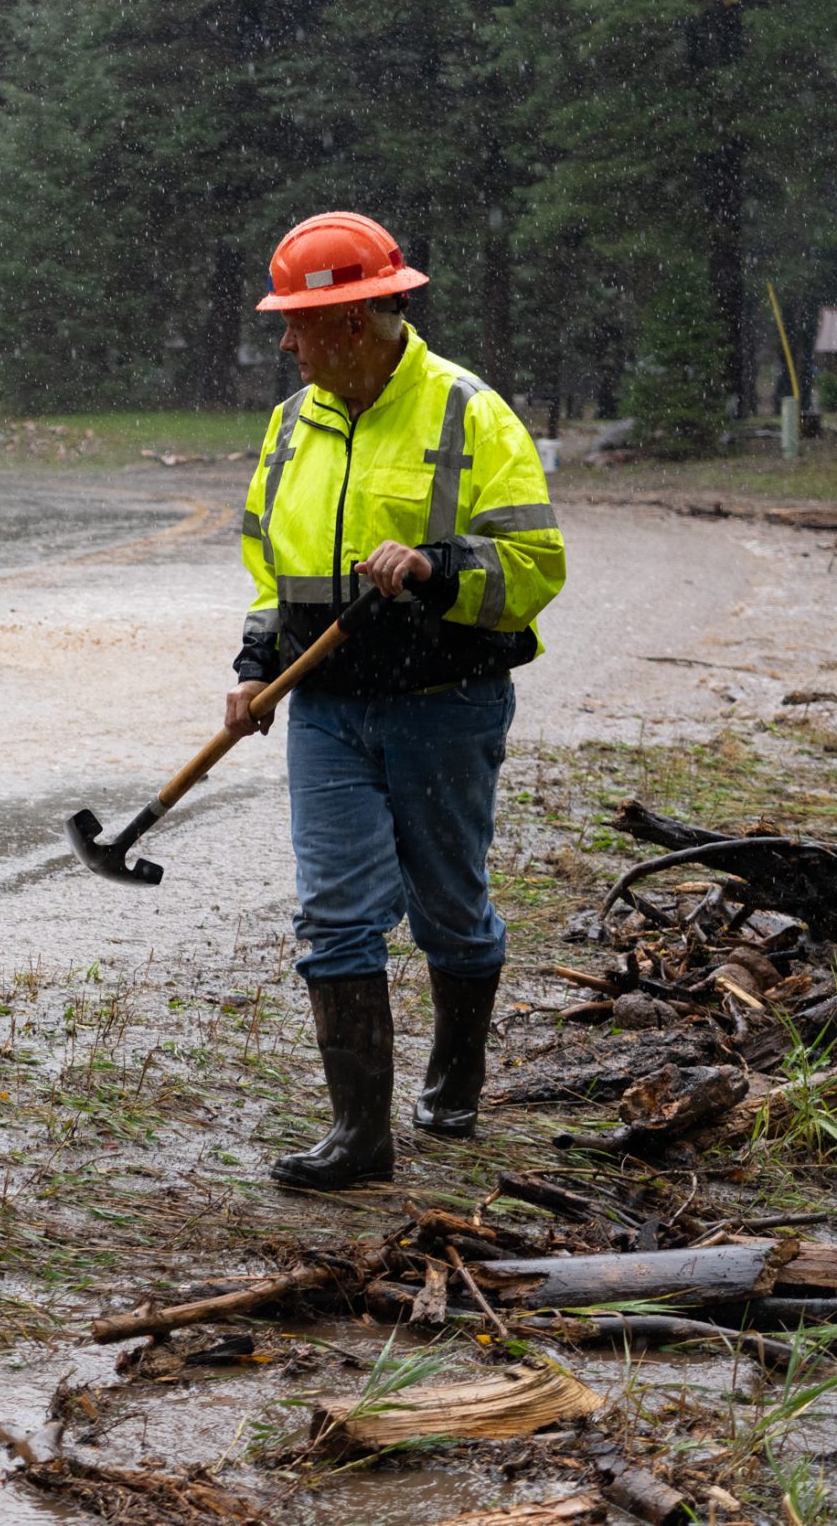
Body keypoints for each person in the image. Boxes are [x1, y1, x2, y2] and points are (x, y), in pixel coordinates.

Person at [232, 212, 566, 1191]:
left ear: (363, 316)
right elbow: (267, 570)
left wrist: (435, 567)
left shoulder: (468, 412)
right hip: (325, 709)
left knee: (449, 914)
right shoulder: (292, 423)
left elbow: (536, 565)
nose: (287, 342)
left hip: (443, 703)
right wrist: (255, 666)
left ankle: (456, 1078)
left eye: (301, 321)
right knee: (334, 912)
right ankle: (359, 1139)